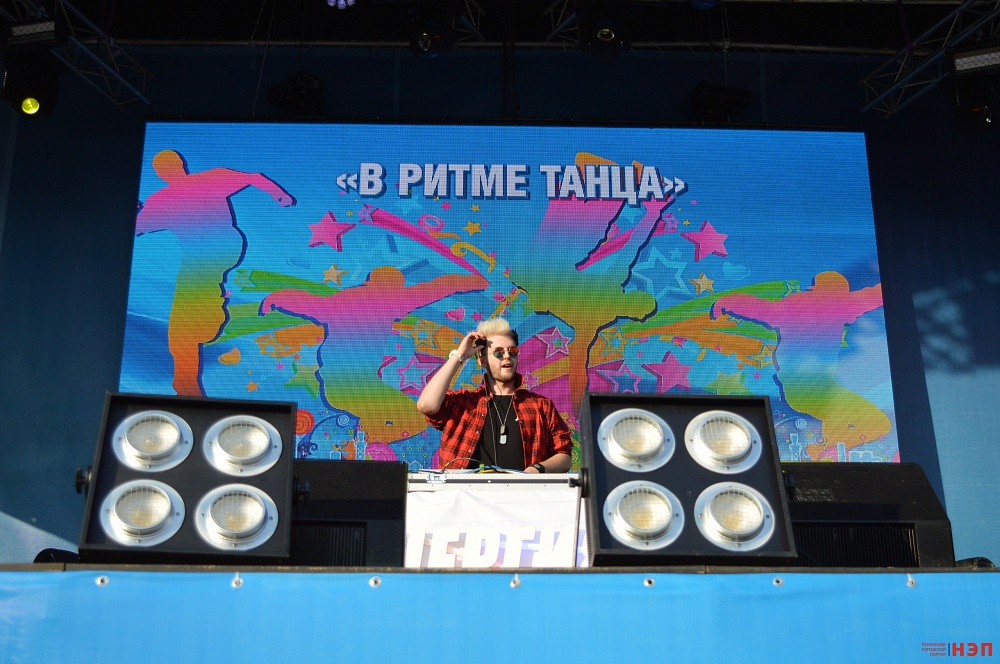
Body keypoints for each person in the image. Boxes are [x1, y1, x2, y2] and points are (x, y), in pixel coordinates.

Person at [417, 318, 573, 473]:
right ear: (482, 361)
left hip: (522, 488)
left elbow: (564, 456)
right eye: (498, 352)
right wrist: (459, 356)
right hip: (467, 489)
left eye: (512, 351)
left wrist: (536, 469)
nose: (507, 356)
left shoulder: (541, 406)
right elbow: (427, 405)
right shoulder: (464, 403)